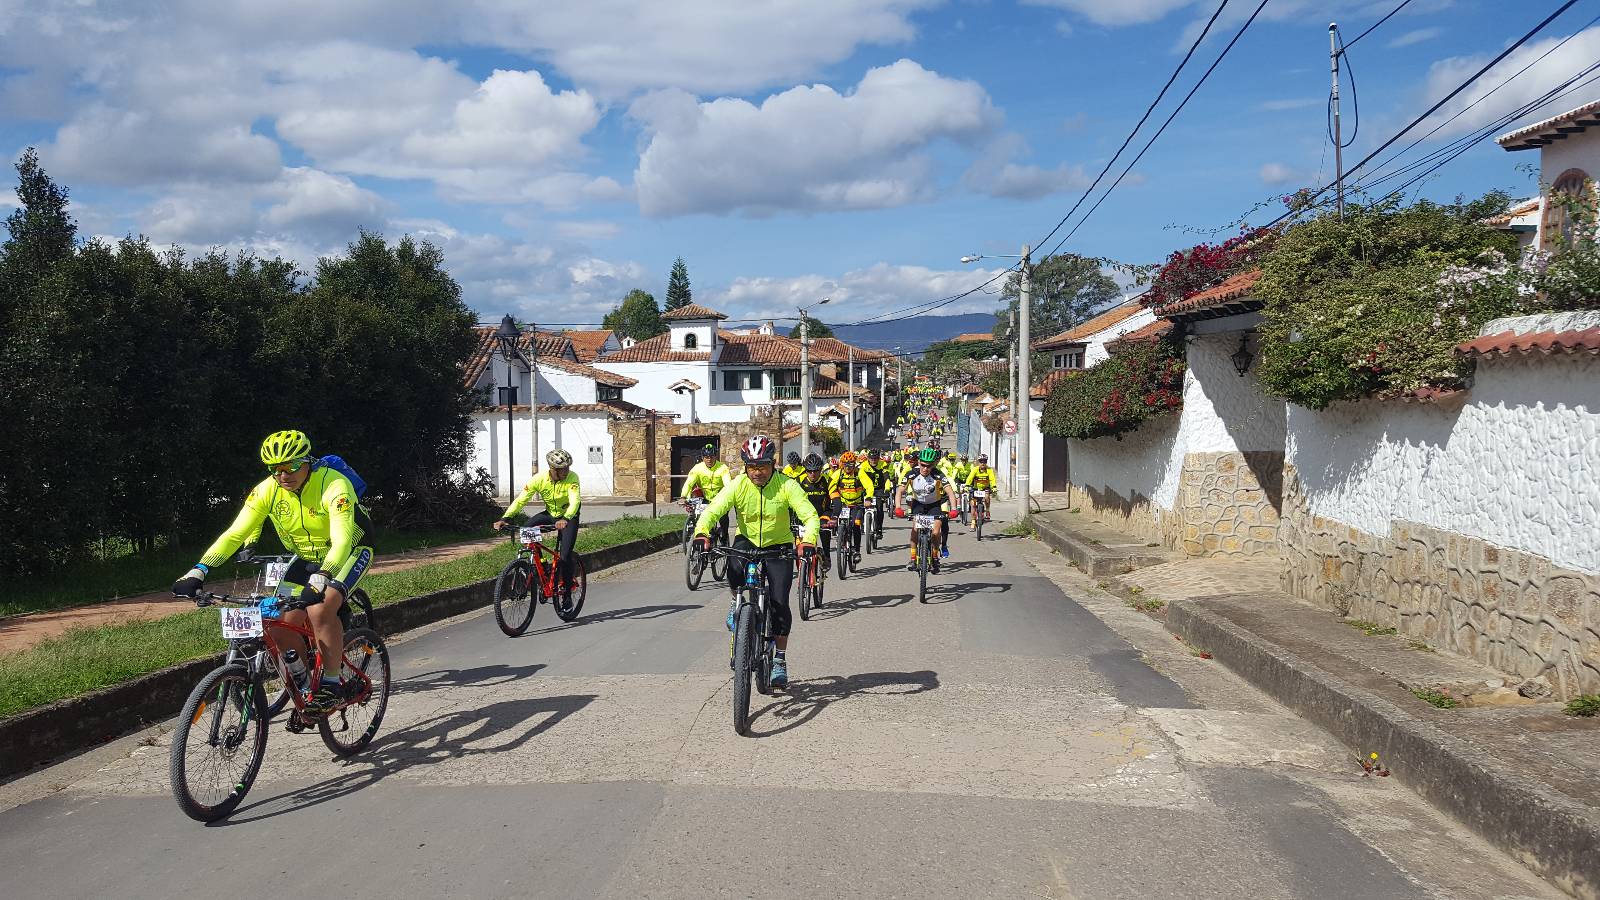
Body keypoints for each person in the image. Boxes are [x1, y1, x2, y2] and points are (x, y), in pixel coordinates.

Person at [172, 430, 373, 715]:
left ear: (307, 461)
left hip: (350, 551)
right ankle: (306, 688)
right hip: (307, 556)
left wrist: (323, 576)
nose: (283, 475)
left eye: (291, 466)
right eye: (275, 469)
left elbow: (341, 540)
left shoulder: (334, 484)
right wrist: (199, 570)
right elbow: (235, 534)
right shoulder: (267, 489)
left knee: (320, 609)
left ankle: (331, 686)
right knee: (278, 623)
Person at [694, 435, 819, 689]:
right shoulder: (738, 485)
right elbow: (713, 509)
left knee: (780, 602)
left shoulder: (787, 485)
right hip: (747, 540)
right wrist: (701, 533)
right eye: (752, 466)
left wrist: (808, 540)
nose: (757, 472)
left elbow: (809, 515)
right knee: (734, 567)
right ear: (745, 466)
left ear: (772, 464)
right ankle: (736, 603)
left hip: (778, 544)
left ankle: (780, 659)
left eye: (762, 466)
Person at [495, 448, 582, 602]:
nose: (567, 471)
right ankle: (542, 566)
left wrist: (566, 518)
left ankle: (567, 594)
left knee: (565, 556)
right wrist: (505, 518)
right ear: (553, 469)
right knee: (526, 529)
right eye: (563, 469)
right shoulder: (539, 479)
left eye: (568, 467)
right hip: (550, 514)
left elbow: (575, 501)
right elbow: (521, 500)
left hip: (569, 517)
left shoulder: (572, 477)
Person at [893, 447, 960, 573]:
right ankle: (913, 558)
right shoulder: (912, 474)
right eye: (923, 465)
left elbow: (950, 492)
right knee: (915, 529)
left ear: (933, 464)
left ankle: (934, 557)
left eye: (929, 466)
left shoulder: (938, 474)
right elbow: (900, 491)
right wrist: (898, 507)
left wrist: (954, 509)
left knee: (936, 532)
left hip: (934, 505)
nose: (925, 469)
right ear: (919, 462)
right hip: (918, 504)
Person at [682, 443, 733, 547]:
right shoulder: (697, 468)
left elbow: (728, 485)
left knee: (723, 518)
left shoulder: (722, 468)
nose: (709, 459)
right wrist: (683, 496)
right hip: (705, 498)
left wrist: (729, 497)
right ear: (702, 458)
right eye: (706, 457)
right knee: (701, 518)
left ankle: (724, 538)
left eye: (711, 457)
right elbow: (689, 483)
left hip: (720, 498)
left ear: (715, 457)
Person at [827, 450, 875, 560]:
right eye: (845, 465)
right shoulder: (838, 474)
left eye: (851, 465)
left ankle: (857, 551)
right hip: (843, 504)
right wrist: (832, 499)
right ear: (842, 464)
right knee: (838, 522)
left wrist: (868, 498)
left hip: (857, 504)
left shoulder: (859, 473)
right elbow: (830, 487)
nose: (848, 467)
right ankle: (840, 538)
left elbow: (869, 486)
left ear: (854, 464)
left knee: (856, 525)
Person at [796, 453, 834, 568]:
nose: (813, 474)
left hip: (823, 514)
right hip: (803, 516)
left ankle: (826, 555)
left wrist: (835, 517)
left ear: (820, 469)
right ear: (805, 470)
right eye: (809, 471)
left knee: (824, 530)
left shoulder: (827, 480)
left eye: (816, 471)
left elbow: (836, 499)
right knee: (799, 548)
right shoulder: (799, 480)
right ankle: (802, 570)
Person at [861, 447, 894, 539]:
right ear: (868, 458)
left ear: (879, 458)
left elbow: (886, 478)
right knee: (861, 507)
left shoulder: (883, 465)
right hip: (866, 489)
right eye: (871, 458)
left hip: (879, 489)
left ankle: (879, 529)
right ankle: (863, 524)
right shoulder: (863, 466)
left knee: (879, 509)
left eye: (875, 458)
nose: (873, 460)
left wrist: (887, 489)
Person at [965, 454, 998, 524]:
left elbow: (992, 479)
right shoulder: (975, 469)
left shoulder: (989, 470)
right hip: (976, 488)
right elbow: (970, 478)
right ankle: (973, 520)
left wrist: (994, 487)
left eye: (984, 461)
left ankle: (987, 510)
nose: (983, 463)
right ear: (978, 462)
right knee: (973, 504)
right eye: (981, 461)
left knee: (987, 497)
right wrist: (967, 485)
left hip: (985, 487)